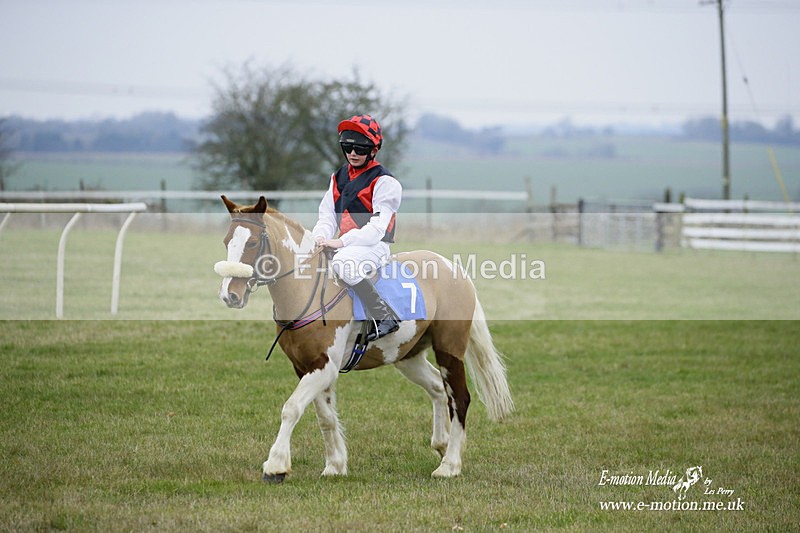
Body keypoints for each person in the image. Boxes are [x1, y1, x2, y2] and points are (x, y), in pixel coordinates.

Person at [312, 114, 402, 341]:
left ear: (373, 150)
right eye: (348, 147)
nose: (353, 154)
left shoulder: (385, 182)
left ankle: (385, 316)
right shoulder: (338, 177)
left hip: (374, 246)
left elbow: (376, 229)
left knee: (343, 263)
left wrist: (340, 242)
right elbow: (327, 216)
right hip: (347, 245)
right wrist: (320, 238)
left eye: (360, 149)